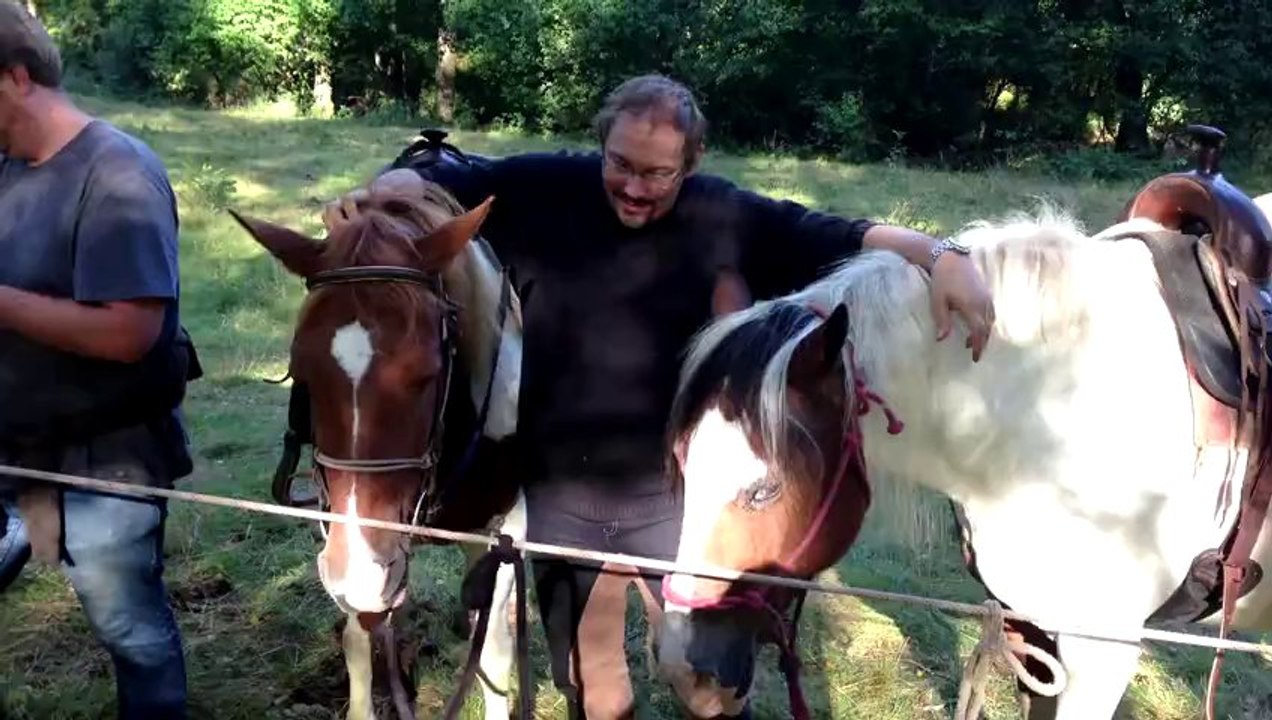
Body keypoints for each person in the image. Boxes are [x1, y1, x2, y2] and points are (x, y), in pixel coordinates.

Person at [326, 74, 994, 719]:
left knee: (708, 692)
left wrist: (940, 256)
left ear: (691, 163)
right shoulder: (543, 188)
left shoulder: (720, 214)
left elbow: (826, 231)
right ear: (601, 147)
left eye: (658, 174)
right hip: (563, 502)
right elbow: (442, 175)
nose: (634, 187)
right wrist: (379, 194)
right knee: (597, 694)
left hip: (681, 506)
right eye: (621, 164)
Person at [0, 3, 198, 717]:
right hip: (12, 440)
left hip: (103, 458)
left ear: (15, 79)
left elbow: (129, 334)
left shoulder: (117, 173)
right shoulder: (6, 171)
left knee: (130, 631)